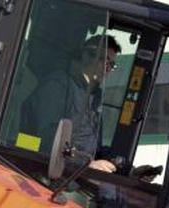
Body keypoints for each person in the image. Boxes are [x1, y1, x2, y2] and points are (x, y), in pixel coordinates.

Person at [22, 34, 121, 173]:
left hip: (76, 174)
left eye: (112, 65)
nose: (108, 68)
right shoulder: (58, 85)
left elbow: (92, 147)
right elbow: (46, 139)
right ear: (87, 55)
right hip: (46, 172)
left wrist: (123, 168)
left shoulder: (94, 97)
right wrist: (86, 164)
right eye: (106, 61)